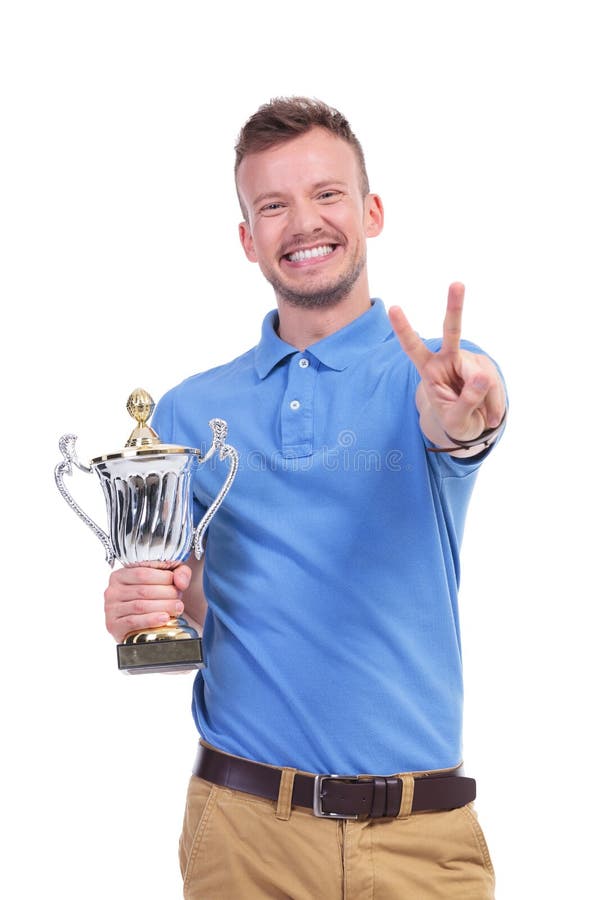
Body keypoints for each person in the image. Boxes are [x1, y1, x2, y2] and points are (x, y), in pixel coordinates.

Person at [104, 97, 506, 899]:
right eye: (273, 206)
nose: (303, 223)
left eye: (326, 194)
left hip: (423, 841)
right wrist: (142, 604)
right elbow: (188, 610)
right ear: (248, 239)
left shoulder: (435, 373)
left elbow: (461, 421)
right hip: (245, 835)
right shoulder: (187, 415)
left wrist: (466, 410)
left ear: (371, 211)